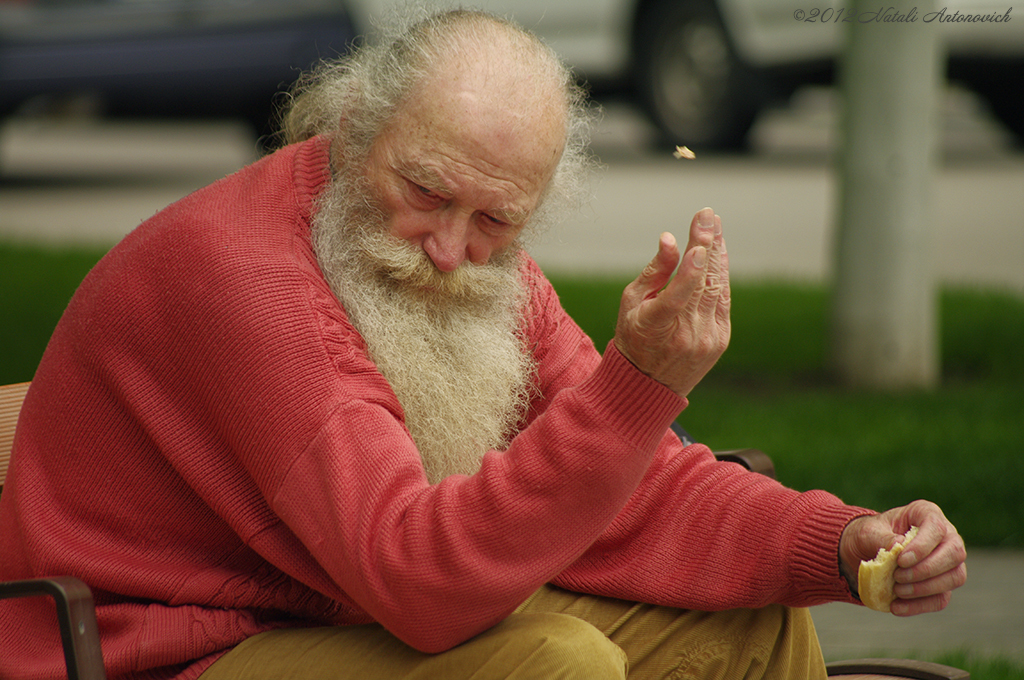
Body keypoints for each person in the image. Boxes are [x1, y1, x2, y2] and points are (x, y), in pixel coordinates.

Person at [0, 7, 966, 680]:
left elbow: (636, 488)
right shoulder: (247, 281)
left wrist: (841, 540)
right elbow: (418, 582)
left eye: (497, 218)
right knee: (556, 664)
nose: (452, 252)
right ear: (348, 128)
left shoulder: (480, 265)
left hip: (336, 613)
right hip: (165, 653)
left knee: (755, 623)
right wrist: (636, 385)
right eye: (423, 192)